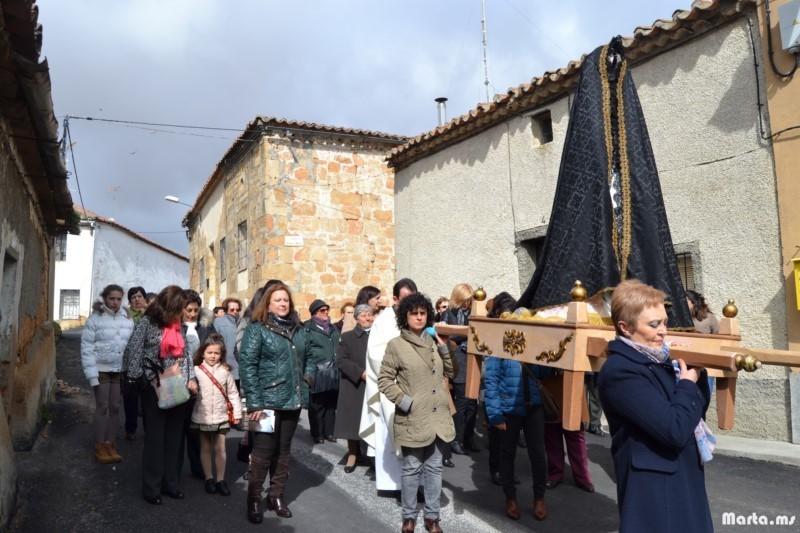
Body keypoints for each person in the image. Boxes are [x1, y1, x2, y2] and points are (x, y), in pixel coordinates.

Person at [598, 279, 713, 533]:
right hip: (654, 489)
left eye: (664, 322)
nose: (663, 331)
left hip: (682, 476)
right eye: (654, 325)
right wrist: (686, 384)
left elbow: (695, 413)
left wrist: (697, 374)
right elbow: (674, 429)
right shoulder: (620, 371)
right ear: (625, 327)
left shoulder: (658, 360)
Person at [378, 293, 456, 533]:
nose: (419, 317)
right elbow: (384, 380)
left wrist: (444, 348)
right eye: (414, 313)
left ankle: (432, 517)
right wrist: (405, 402)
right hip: (413, 417)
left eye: (423, 313)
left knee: (434, 468)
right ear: (406, 317)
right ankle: (409, 516)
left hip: (437, 416)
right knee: (412, 467)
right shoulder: (396, 345)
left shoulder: (435, 343)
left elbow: (451, 373)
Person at [239, 282, 314, 523]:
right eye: (278, 300)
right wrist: (255, 403)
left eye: (286, 300)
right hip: (264, 402)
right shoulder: (257, 329)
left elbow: (310, 355)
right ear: (268, 304)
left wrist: (307, 377)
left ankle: (276, 495)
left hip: (292, 400)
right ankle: (253, 499)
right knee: (262, 452)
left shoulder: (299, 329)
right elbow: (247, 366)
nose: (283, 304)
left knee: (283, 451)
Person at [123, 285, 198, 505]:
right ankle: (152, 488)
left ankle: (170, 484)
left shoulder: (179, 326)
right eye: (181, 307)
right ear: (170, 304)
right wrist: (136, 381)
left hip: (178, 386)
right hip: (154, 386)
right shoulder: (147, 323)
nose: (184, 311)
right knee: (155, 439)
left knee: (174, 439)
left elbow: (186, 356)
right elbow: (133, 351)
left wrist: (191, 378)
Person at [484, 303, 549, 522]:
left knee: (538, 454)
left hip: (533, 406)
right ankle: (510, 497)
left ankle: (539, 497)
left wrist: (548, 350)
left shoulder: (534, 343)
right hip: (508, 408)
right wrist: (495, 415)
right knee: (507, 453)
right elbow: (490, 380)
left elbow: (545, 372)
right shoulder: (499, 344)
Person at [360, 278, 417, 494]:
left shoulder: (416, 317)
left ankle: (413, 485)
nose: (412, 304)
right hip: (391, 388)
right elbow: (375, 355)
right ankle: (396, 485)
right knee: (394, 437)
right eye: (406, 300)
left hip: (416, 387)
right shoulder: (383, 322)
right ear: (394, 299)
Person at [81, 284, 134, 463]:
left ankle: (111, 443)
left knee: (115, 407)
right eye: (112, 298)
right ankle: (100, 445)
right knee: (102, 406)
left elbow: (130, 347)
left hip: (119, 370)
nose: (115, 302)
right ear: (105, 298)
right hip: (101, 369)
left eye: (119, 299)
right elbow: (86, 348)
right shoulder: (95, 319)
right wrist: (91, 374)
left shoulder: (127, 319)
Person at [191, 333, 242, 496]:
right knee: (205, 448)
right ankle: (209, 478)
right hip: (203, 415)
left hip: (221, 415)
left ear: (222, 354)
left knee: (221, 448)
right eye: (210, 352)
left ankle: (221, 479)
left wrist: (238, 412)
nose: (213, 356)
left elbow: (233, 393)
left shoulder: (225, 371)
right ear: (203, 353)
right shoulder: (196, 371)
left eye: (217, 353)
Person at [179, 290, 216, 481]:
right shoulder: (176, 327)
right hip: (180, 381)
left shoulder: (206, 326)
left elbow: (215, 348)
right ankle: (174, 470)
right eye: (189, 310)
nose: (193, 314)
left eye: (196, 310)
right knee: (179, 429)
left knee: (197, 429)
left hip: (202, 380)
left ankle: (198, 466)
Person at [334, 304, 374, 473]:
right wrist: (360, 373)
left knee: (372, 420)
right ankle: (352, 454)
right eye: (365, 315)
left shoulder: (377, 336)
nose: (369, 318)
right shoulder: (348, 337)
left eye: (371, 315)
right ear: (357, 318)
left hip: (375, 384)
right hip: (355, 384)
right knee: (354, 422)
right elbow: (341, 361)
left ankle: (372, 457)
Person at [440, 283, 477, 456]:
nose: (466, 303)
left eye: (469, 300)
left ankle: (469, 439)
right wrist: (463, 334)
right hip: (458, 362)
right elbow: (445, 337)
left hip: (472, 360)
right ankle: (456, 440)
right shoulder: (448, 313)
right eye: (464, 300)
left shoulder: (475, 313)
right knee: (461, 402)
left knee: (473, 403)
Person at [304, 299, 340, 444]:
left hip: (334, 371)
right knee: (317, 405)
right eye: (322, 310)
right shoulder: (307, 328)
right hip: (318, 371)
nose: (326, 313)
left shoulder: (333, 328)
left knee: (331, 405)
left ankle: (329, 432)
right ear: (314, 313)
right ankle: (317, 433)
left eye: (327, 310)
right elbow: (306, 350)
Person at [123, 286, 147, 441]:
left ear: (144, 298)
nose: (137, 299)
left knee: (147, 400)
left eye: (139, 296)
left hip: (147, 363)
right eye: (133, 297)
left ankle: (149, 429)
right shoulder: (125, 316)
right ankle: (130, 428)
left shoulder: (151, 314)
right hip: (130, 361)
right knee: (130, 398)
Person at [214, 298, 241, 390]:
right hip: (225, 365)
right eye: (232, 310)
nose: (235, 312)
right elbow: (214, 343)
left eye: (237, 309)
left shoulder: (243, 322)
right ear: (226, 310)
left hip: (240, 365)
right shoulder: (218, 322)